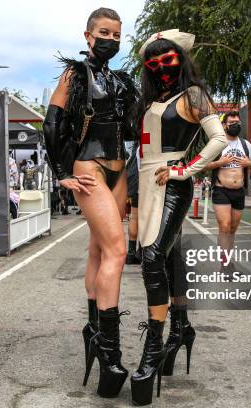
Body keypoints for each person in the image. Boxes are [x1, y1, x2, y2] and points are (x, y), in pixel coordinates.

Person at [43, 8, 138, 399]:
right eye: (104, 33)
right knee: (118, 249)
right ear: (87, 35)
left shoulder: (120, 80)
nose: (110, 40)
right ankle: (110, 351)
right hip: (90, 169)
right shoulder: (74, 75)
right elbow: (51, 123)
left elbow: (133, 128)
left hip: (117, 171)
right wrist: (61, 173)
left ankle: (93, 331)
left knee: (100, 250)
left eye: (116, 35)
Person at [133, 29, 228, 405]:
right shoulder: (154, 99)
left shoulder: (193, 95)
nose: (161, 68)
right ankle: (181, 329)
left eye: (167, 60)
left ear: (181, 58)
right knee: (169, 254)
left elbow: (218, 138)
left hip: (170, 183)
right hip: (147, 181)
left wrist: (184, 170)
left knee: (152, 256)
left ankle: (154, 346)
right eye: (152, 63)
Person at [204, 111, 251, 267]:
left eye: (238, 123)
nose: (236, 125)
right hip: (221, 190)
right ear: (224, 125)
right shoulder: (217, 144)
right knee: (225, 226)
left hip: (239, 192)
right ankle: (225, 264)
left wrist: (249, 164)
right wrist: (220, 162)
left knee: (233, 229)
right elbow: (203, 165)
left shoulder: (245, 144)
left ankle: (227, 260)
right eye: (232, 123)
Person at [125, 144, 141, 264]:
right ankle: (141, 252)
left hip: (134, 179)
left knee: (134, 217)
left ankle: (131, 254)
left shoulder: (135, 143)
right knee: (146, 218)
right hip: (145, 178)